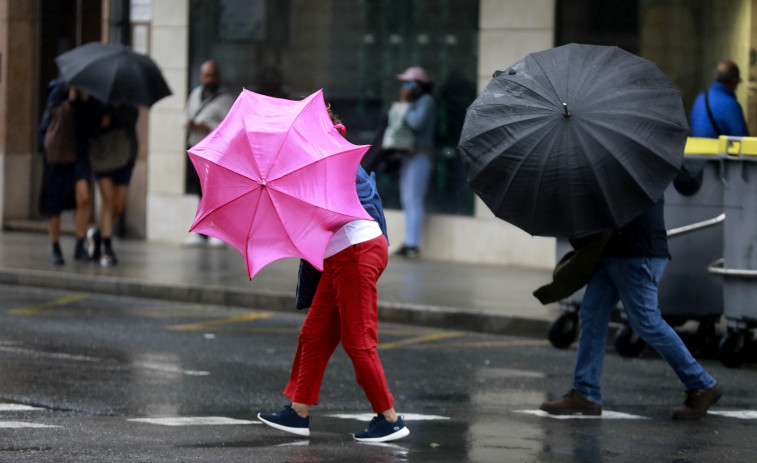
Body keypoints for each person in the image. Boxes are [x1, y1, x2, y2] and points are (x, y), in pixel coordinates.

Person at [258, 110, 410, 443]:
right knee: (314, 333)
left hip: (356, 252)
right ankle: (298, 412)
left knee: (358, 340)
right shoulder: (312, 156)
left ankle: (390, 418)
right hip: (340, 254)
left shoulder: (328, 154)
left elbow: (327, 207)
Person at [540, 199, 721, 420]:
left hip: (636, 251)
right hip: (612, 251)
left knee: (645, 321)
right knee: (592, 315)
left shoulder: (634, 169)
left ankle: (702, 385)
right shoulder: (612, 167)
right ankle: (585, 392)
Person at [38, 80, 94, 265]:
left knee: (84, 197)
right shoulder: (57, 91)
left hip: (79, 155)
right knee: (54, 206)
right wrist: (70, 100)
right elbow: (53, 121)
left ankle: (80, 244)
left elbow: (92, 127)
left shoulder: (89, 94)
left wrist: (85, 101)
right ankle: (55, 247)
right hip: (57, 157)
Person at [183, 60, 236, 246]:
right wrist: (191, 124)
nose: (210, 79)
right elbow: (186, 115)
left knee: (216, 194)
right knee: (201, 193)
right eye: (207, 75)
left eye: (213, 75)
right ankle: (202, 233)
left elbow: (231, 127)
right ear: (201, 77)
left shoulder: (225, 99)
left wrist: (208, 126)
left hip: (216, 155)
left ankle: (219, 232)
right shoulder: (196, 94)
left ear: (218, 77)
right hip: (197, 152)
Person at [392, 66, 436, 258]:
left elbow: (415, 122)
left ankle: (412, 244)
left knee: (414, 199)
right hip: (408, 154)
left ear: (419, 85)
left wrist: (405, 104)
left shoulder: (426, 101)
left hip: (421, 155)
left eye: (410, 83)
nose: (406, 87)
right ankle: (408, 242)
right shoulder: (415, 101)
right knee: (407, 199)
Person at [87, 102, 139, 267]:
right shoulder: (97, 101)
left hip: (124, 156)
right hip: (103, 154)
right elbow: (89, 126)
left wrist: (114, 114)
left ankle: (97, 234)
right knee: (108, 201)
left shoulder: (129, 102)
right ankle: (108, 250)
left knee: (118, 206)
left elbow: (131, 121)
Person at [690, 60, 748, 137]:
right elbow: (742, 140)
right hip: (716, 149)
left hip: (695, 148)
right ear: (734, 80)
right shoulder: (731, 105)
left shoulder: (700, 98)